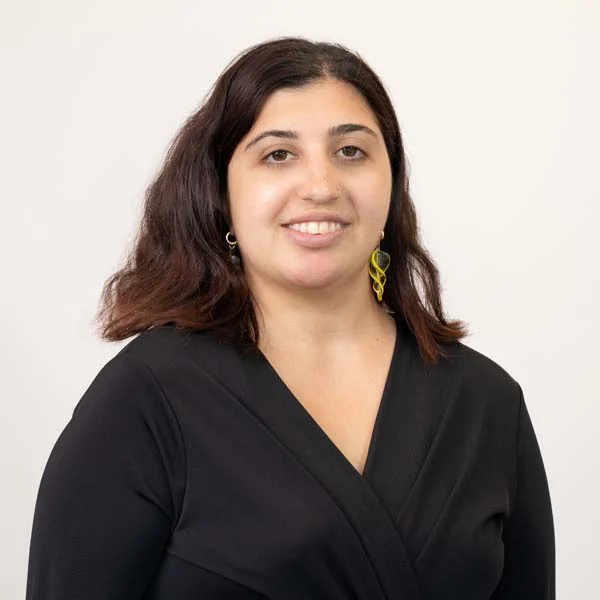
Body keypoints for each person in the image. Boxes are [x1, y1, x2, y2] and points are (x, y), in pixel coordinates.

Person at [26, 36, 555, 599]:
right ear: (221, 193)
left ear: (392, 185)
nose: (321, 186)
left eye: (351, 151)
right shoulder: (145, 399)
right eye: (278, 154)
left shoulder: (486, 401)